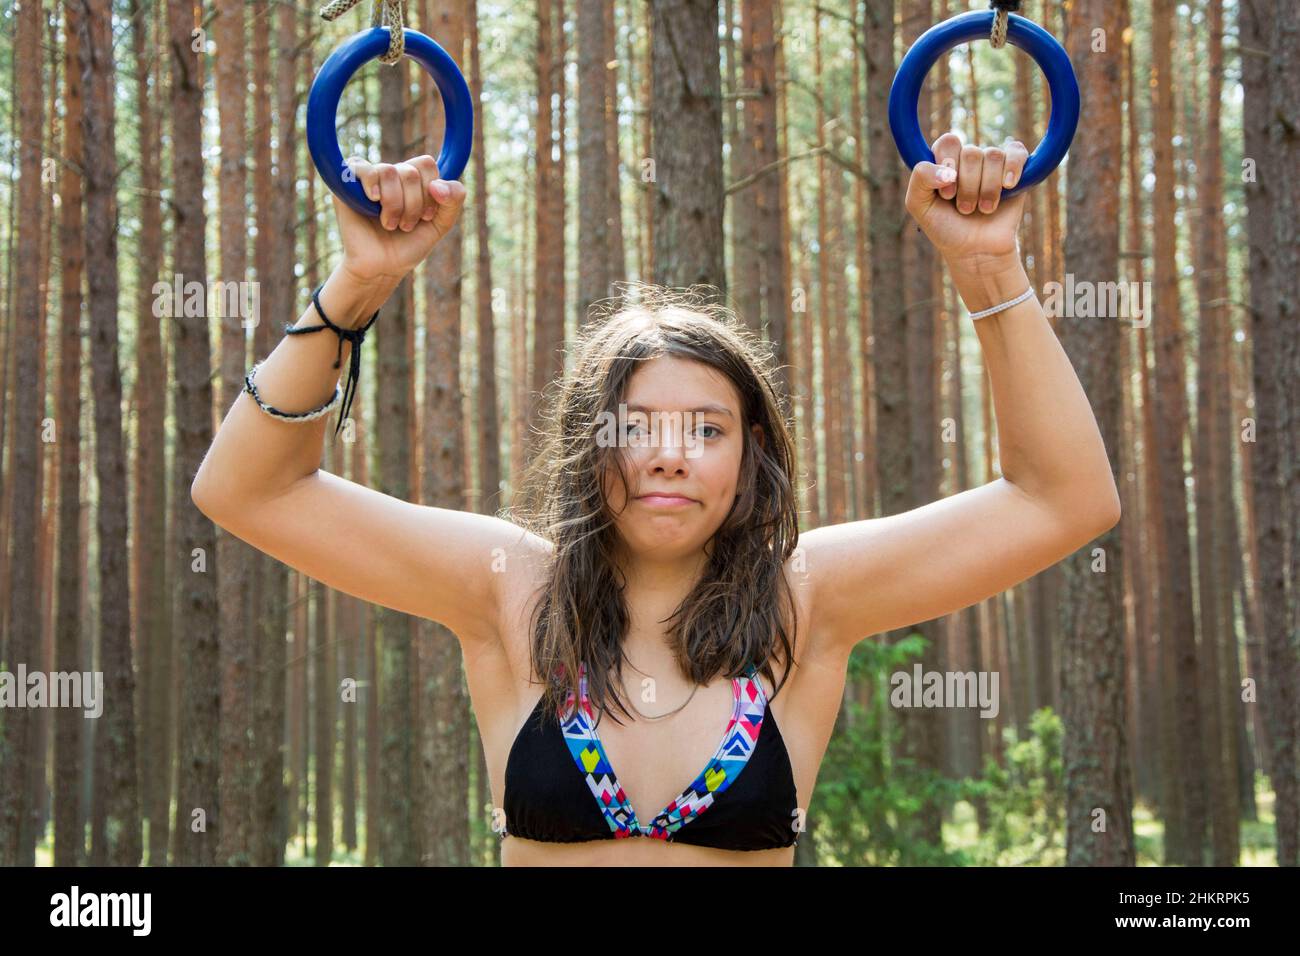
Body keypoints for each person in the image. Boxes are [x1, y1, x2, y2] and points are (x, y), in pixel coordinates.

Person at [192, 131, 1120, 867]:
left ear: (752, 457)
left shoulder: (809, 600)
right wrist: (363, 280)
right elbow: (248, 489)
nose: (670, 457)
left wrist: (990, 266)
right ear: (588, 449)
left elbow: (1063, 500)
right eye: (635, 428)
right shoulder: (509, 589)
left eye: (708, 430)